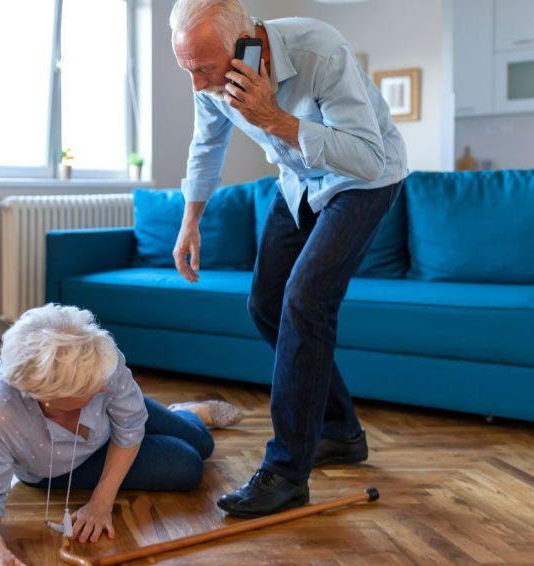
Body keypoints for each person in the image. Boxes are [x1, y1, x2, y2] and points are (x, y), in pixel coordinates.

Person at [169, 0, 407, 519]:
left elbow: (367, 155)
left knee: (305, 299)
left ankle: (286, 473)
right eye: (185, 68)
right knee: (266, 304)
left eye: (204, 68)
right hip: (298, 179)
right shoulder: (209, 77)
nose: (197, 84)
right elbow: (206, 145)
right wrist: (191, 221)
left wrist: (275, 119)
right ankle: (341, 431)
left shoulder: (318, 50)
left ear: (246, 40)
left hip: (362, 181)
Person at [0, 303, 242, 566]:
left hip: (121, 415)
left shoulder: (100, 359)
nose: (103, 387)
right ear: (46, 396)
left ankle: (186, 412)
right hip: (57, 467)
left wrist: (101, 502)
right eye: (88, 388)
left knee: (203, 442)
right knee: (189, 466)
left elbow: (130, 427)